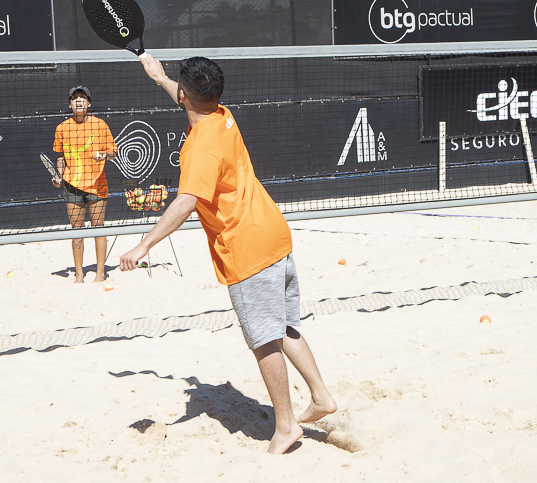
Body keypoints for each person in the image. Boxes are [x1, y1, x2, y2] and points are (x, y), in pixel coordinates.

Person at [119, 54, 337, 454]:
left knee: (264, 340)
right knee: (285, 327)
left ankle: (286, 426)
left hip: (247, 250)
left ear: (184, 97)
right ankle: (321, 396)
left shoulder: (200, 148)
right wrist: (161, 77)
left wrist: (143, 245)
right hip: (274, 235)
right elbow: (192, 100)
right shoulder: (223, 115)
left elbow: (185, 203)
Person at [52, 85, 117, 283]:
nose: (79, 100)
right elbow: (61, 157)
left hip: (97, 184)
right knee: (77, 231)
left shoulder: (100, 125)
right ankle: (79, 275)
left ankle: (100, 274)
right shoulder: (62, 128)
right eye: (75, 98)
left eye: (82, 97)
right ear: (70, 104)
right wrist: (58, 176)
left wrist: (104, 155)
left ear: (88, 103)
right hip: (72, 185)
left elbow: (113, 153)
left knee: (98, 229)